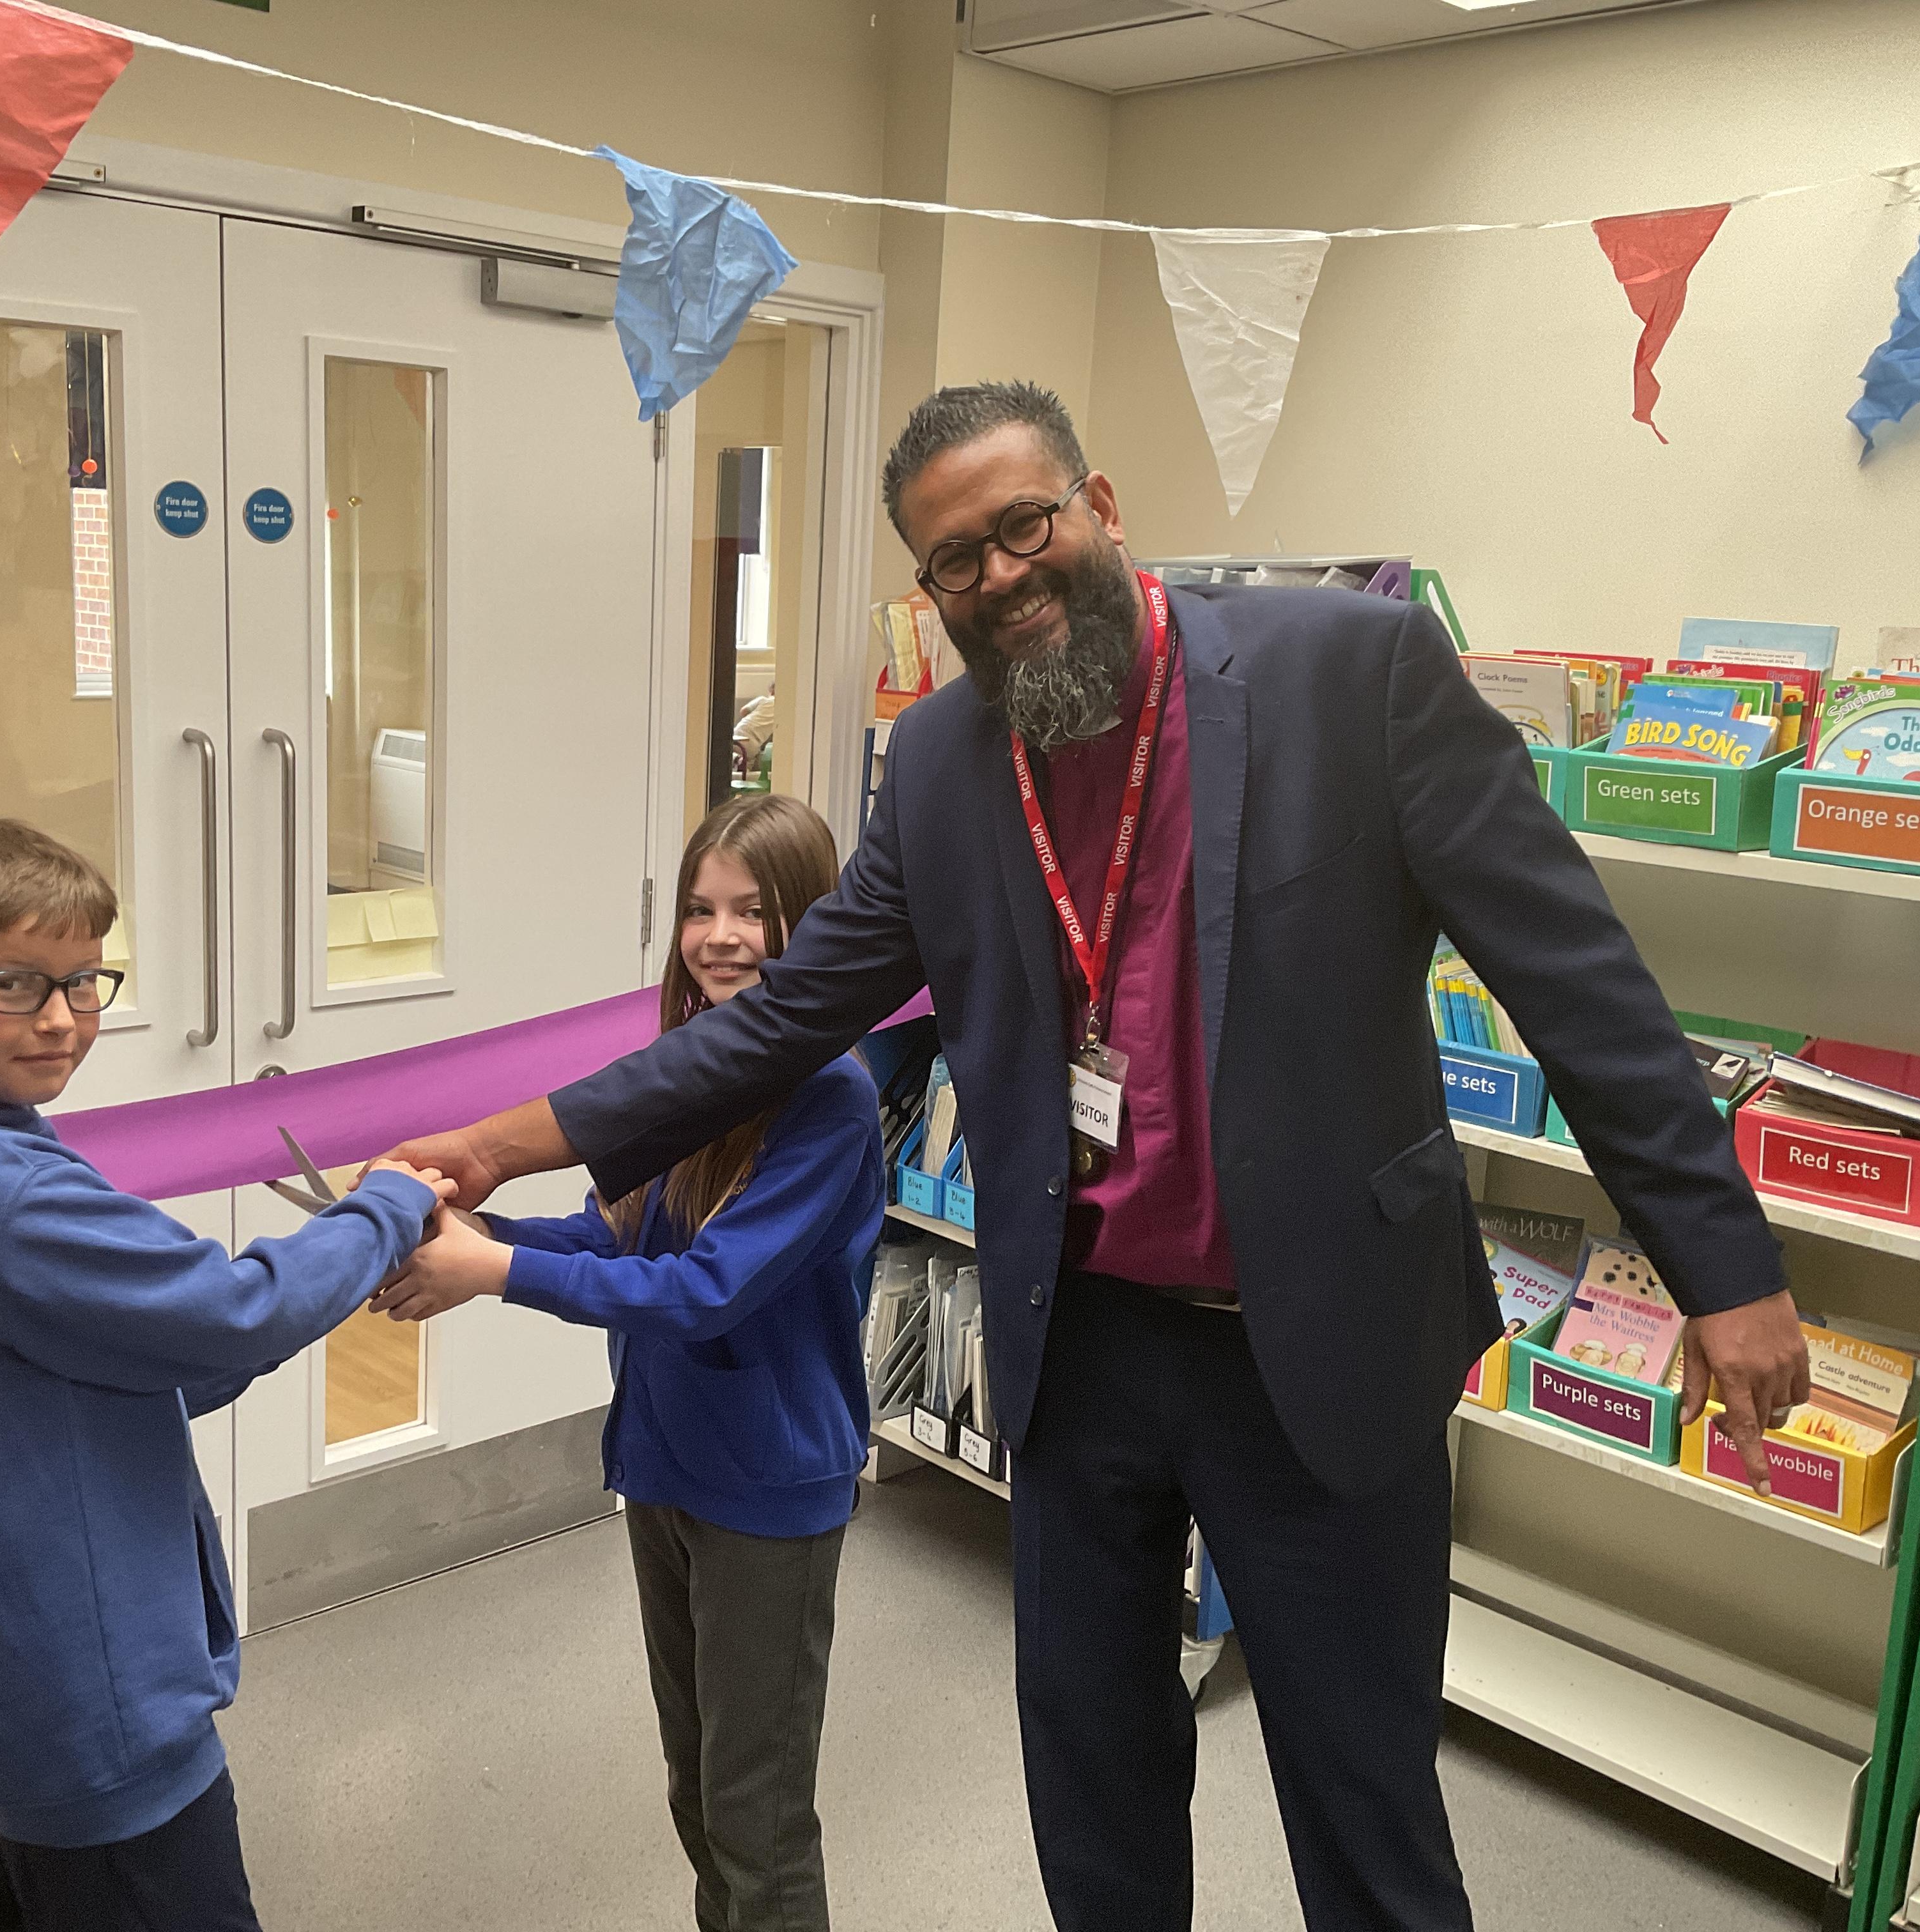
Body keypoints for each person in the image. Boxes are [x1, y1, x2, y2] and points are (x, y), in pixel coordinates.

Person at [394, 380, 1811, 1932]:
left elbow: (1577, 982)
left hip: (1320, 1339)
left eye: (1025, 524)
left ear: (1101, 504)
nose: (1000, 575)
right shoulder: (939, 763)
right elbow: (780, 1021)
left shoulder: (1352, 670)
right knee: (1093, 1779)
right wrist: (496, 1145)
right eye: (954, 561)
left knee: (1363, 1799)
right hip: (1083, 1345)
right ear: (927, 593)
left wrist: (1723, 1272)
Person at [0, 818, 449, 1932]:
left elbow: (96, 1360)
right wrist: (392, 1203)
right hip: (92, 1726)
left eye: (85, 981)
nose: (65, 1019)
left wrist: (210, 1344)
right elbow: (234, 1311)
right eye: (14, 983)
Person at [376, 793, 884, 1932]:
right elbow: (613, 1239)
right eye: (702, 910)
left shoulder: (832, 1102)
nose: (722, 937)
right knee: (699, 1791)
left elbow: (706, 1292)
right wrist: (475, 1236)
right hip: (666, 1470)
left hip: (767, 1494)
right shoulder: (684, 1074)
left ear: (813, 924)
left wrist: (492, 1274)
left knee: (758, 1824)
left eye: (756, 913)